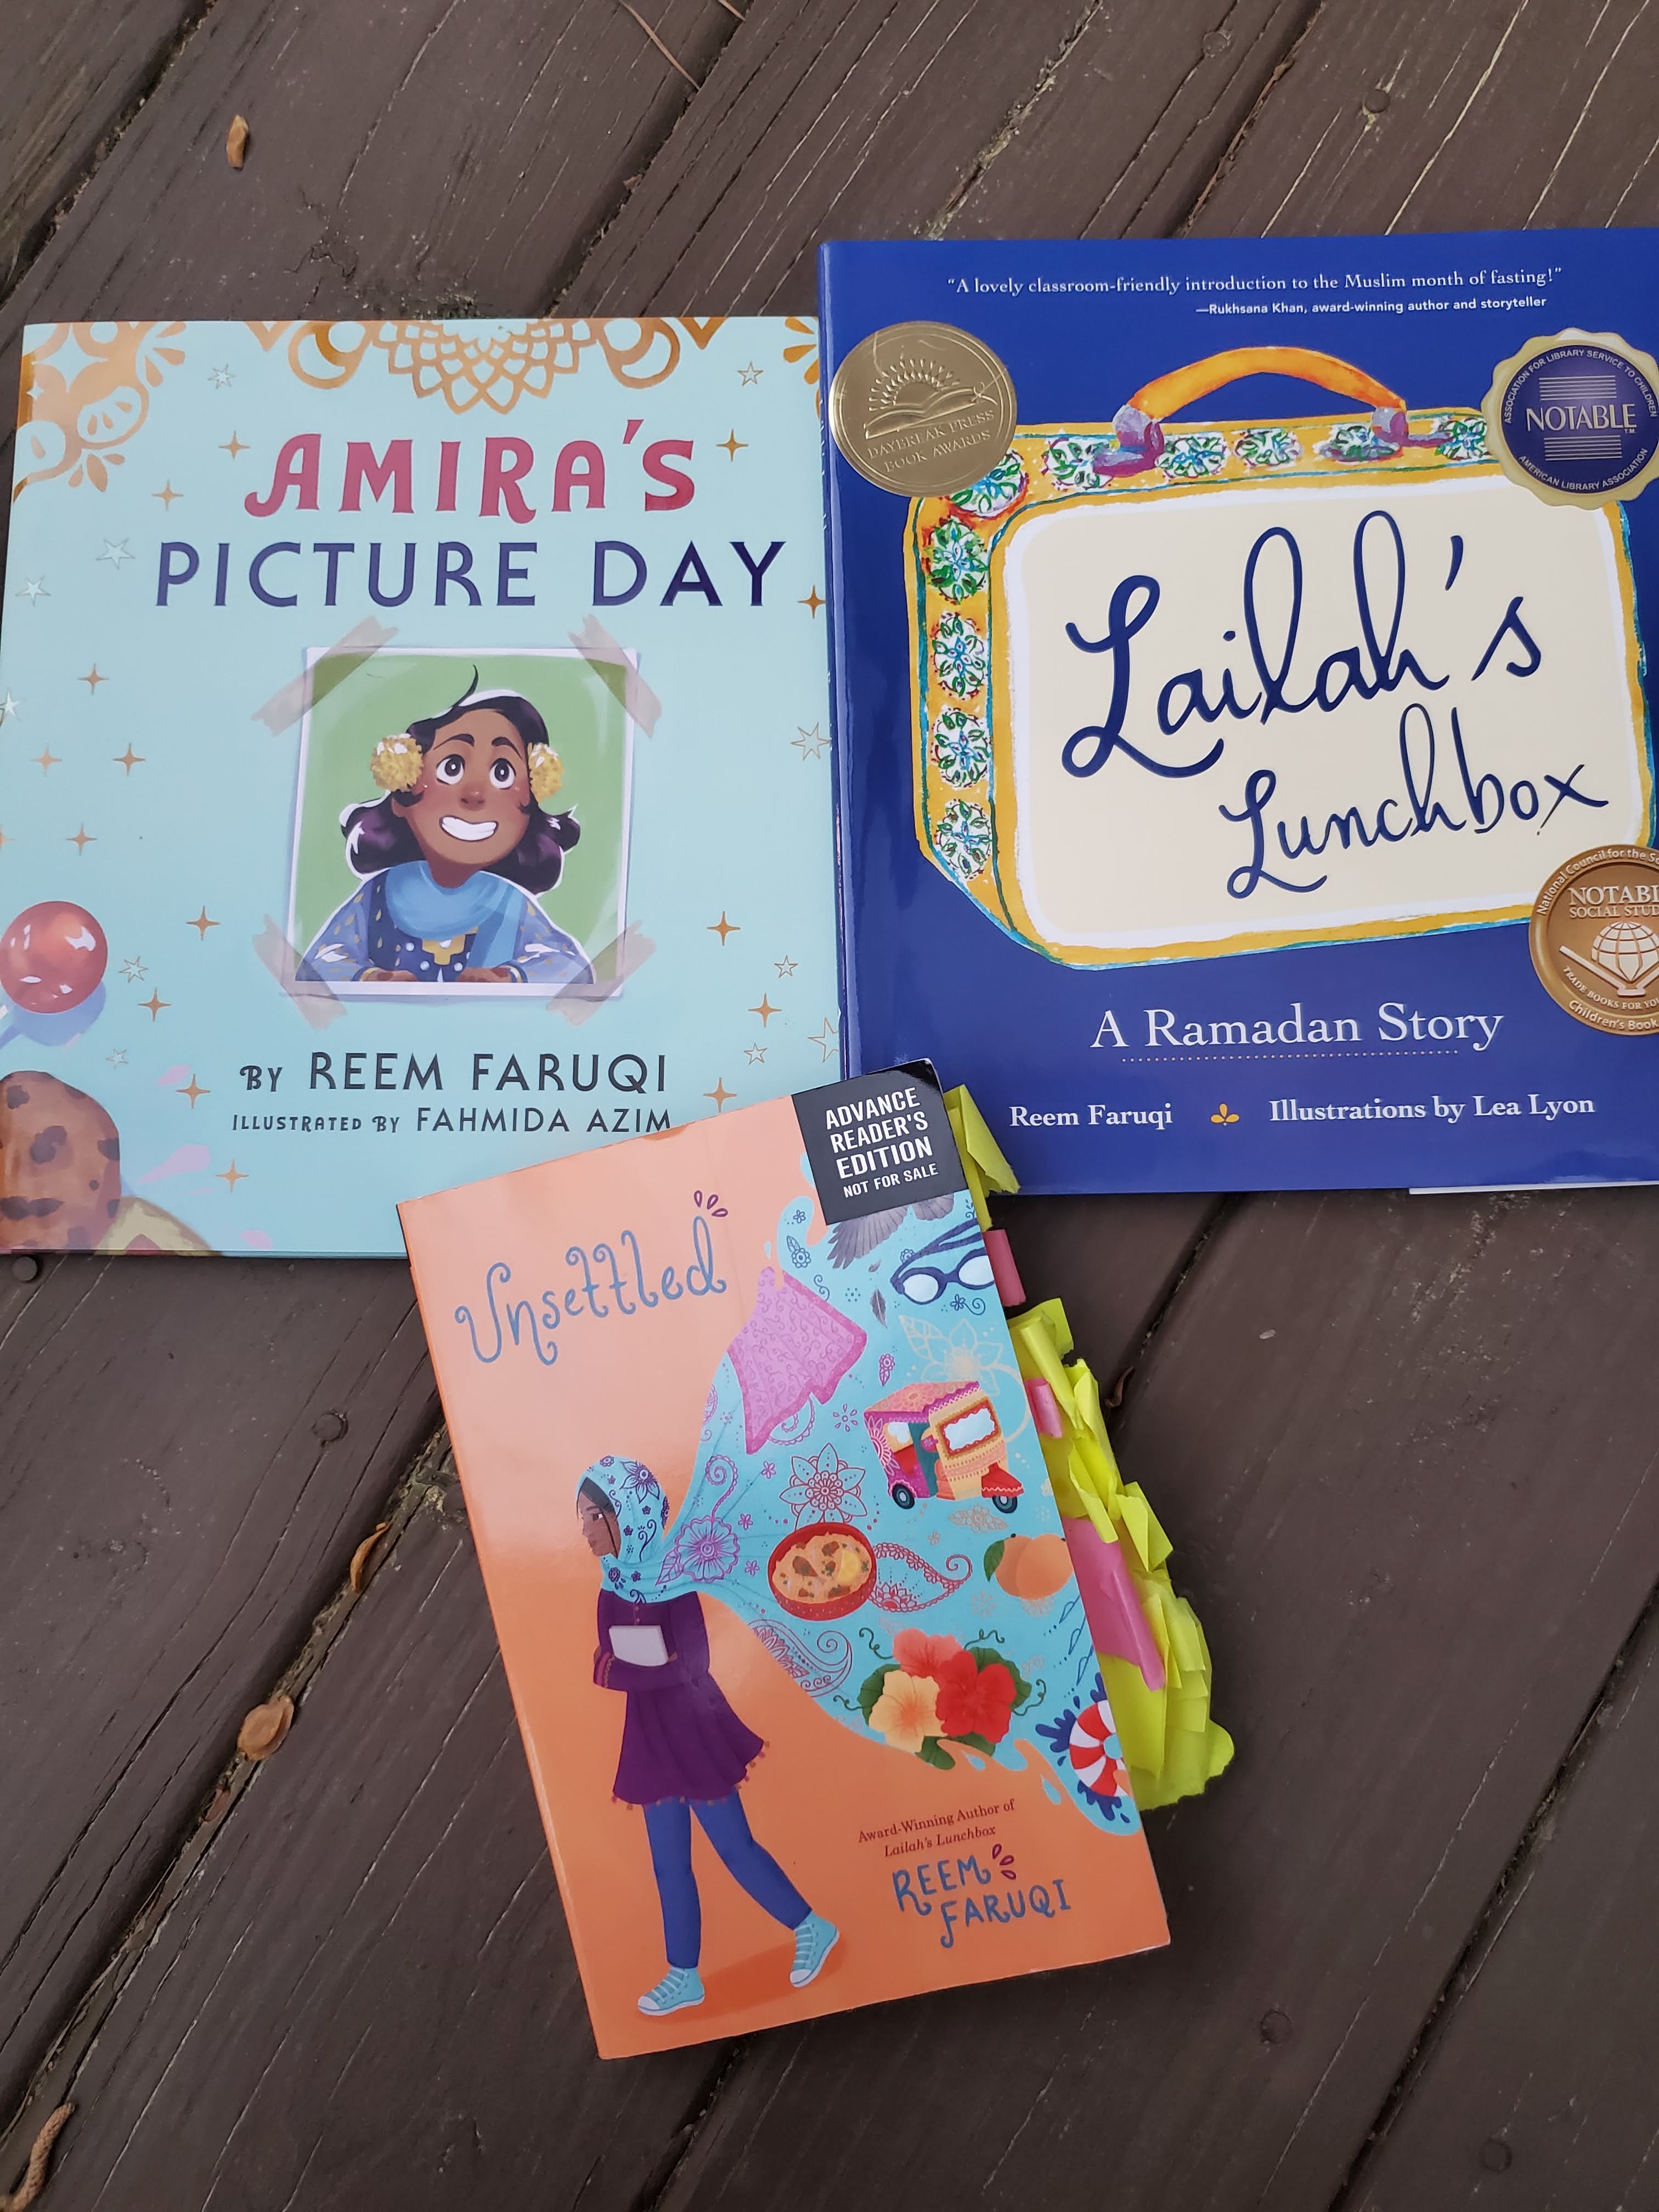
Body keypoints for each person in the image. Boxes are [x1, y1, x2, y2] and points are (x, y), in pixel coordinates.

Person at [578, 1458, 839, 2017]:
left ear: (628, 1515)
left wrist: (630, 1670)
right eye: (582, 1519)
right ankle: (684, 1974)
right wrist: (638, 1668)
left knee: (735, 1847)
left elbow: (691, 1665)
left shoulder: (675, 1583)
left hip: (694, 1732)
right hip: (649, 1739)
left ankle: (811, 1927)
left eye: (595, 1516)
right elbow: (608, 1659)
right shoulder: (611, 1588)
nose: (586, 1531)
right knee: (668, 1864)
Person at [298, 677, 593, 987]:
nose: (476, 793)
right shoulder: (377, 895)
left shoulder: (512, 903)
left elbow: (572, 968)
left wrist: (507, 977)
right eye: (452, 767)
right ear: (404, 787)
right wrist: (372, 978)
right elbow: (318, 965)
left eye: (502, 772)